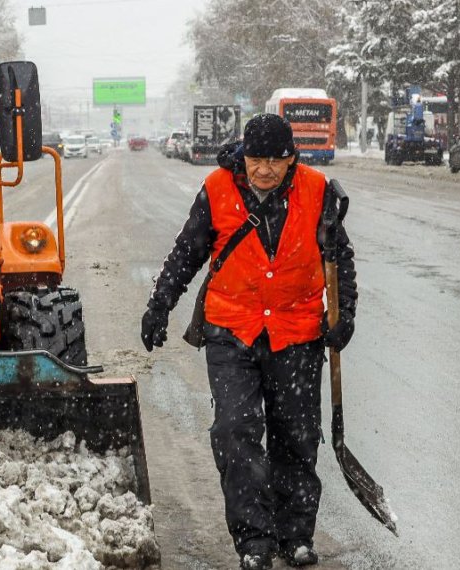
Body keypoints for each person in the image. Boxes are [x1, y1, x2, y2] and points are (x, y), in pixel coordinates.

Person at [140, 114, 357, 570]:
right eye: (257, 160)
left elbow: (340, 259)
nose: (265, 170)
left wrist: (344, 316)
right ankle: (254, 540)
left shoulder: (317, 191)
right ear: (244, 156)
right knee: (235, 431)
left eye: (275, 161)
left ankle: (295, 535)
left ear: (291, 158)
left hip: (297, 332)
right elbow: (186, 253)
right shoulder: (218, 189)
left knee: (296, 435)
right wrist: (159, 305)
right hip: (232, 331)